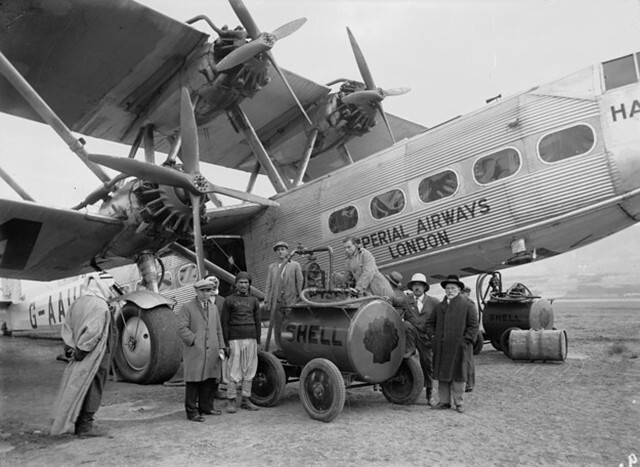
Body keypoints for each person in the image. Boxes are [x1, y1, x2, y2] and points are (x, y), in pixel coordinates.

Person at [51, 277, 115, 437]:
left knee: (75, 386)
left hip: (77, 352)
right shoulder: (100, 306)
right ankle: (85, 426)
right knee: (93, 386)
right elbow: (93, 333)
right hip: (94, 354)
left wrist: (70, 348)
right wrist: (81, 350)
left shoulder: (76, 303)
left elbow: (67, 327)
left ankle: (69, 422)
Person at [427, 275, 479, 414]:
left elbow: (474, 326)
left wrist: (465, 341)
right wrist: (433, 337)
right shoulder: (439, 307)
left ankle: (459, 402)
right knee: (442, 375)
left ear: (459, 289)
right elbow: (430, 323)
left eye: (453, 288)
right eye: (448, 288)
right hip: (442, 347)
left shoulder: (467, 306)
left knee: (458, 375)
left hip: (459, 347)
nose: (450, 291)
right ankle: (444, 401)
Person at [177, 279, 226, 422]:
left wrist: (221, 347)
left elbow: (218, 330)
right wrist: (193, 340)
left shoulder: (213, 308)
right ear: (196, 292)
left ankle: (206, 407)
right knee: (194, 381)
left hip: (212, 351)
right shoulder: (187, 307)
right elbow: (181, 328)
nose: (205, 294)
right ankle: (192, 412)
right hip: (195, 351)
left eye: (208, 291)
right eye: (202, 291)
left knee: (209, 380)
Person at [221, 272, 261, 413]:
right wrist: (225, 343)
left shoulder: (254, 300)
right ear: (236, 284)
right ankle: (231, 400)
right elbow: (224, 322)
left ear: (249, 284)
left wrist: (258, 341)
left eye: (246, 282)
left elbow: (257, 321)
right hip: (234, 339)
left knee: (249, 369)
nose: (243, 285)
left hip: (251, 338)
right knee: (233, 369)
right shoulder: (229, 300)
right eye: (240, 282)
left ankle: (246, 399)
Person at [403, 273, 440, 406]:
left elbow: (440, 318)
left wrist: (435, 335)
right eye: (414, 285)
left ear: (424, 287)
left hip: (426, 337)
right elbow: (392, 301)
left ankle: (429, 392)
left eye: (419, 285)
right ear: (411, 287)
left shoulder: (434, 302)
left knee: (428, 363)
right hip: (412, 335)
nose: (417, 287)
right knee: (406, 325)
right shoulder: (406, 301)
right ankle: (410, 351)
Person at [264, 241, 303, 352]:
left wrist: (300, 297)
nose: (280, 252)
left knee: (291, 325)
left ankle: (293, 347)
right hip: (277, 301)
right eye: (278, 250)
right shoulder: (272, 267)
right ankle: (280, 348)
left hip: (291, 300)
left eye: (282, 249)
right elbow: (269, 284)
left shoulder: (295, 265)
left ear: (287, 251)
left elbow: (300, 281)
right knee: (278, 325)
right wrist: (267, 300)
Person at [460, 286, 477, 392]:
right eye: (461, 292)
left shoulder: (469, 304)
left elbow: (473, 323)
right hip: (460, 336)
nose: (462, 294)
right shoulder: (460, 303)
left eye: (464, 293)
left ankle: (469, 383)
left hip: (466, 337)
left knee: (468, 361)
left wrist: (469, 338)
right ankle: (463, 382)